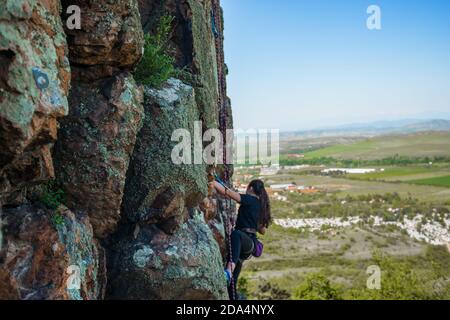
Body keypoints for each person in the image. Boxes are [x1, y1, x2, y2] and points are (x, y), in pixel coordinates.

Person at [210, 179, 272, 290]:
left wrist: (213, 182)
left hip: (243, 239)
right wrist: (252, 219)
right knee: (232, 286)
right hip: (248, 244)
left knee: (236, 234)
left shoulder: (249, 199)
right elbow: (262, 230)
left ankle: (229, 270)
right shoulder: (261, 206)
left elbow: (227, 193)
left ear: (251, 188)